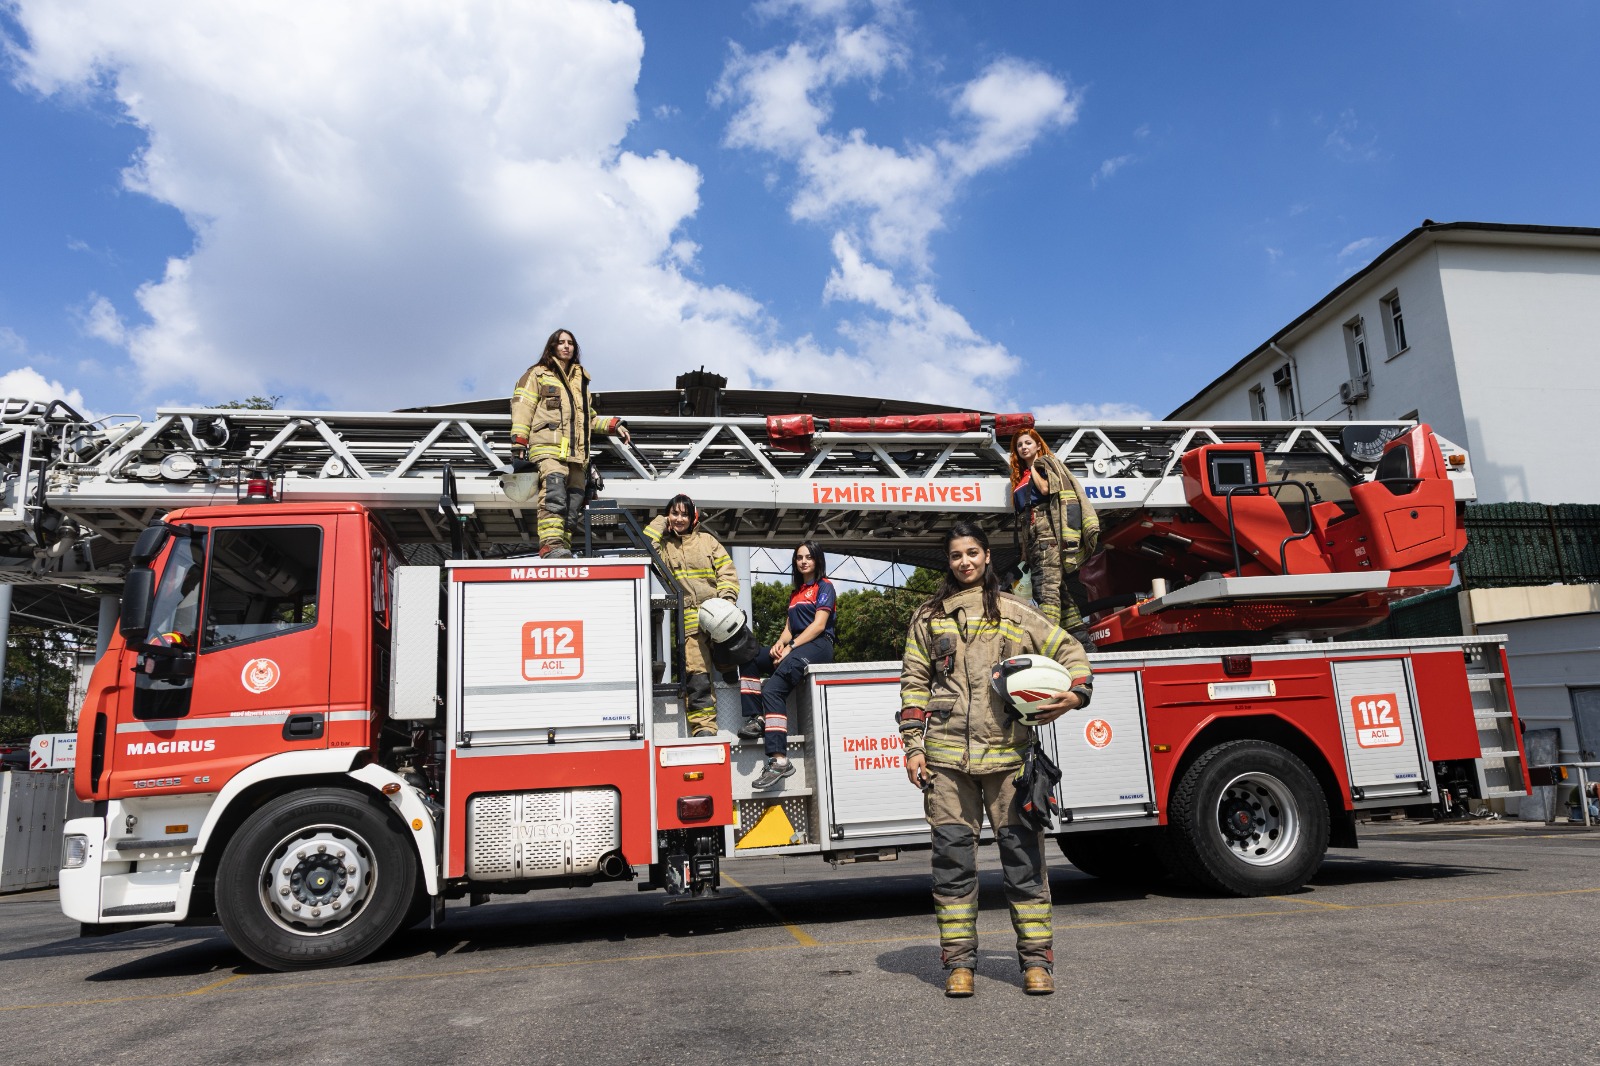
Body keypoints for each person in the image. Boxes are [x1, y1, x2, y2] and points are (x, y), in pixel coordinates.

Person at [898, 521, 1092, 998]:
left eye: (972, 553)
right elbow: (913, 685)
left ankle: (1035, 962)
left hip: (1009, 763)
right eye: (956, 555)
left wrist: (1074, 695)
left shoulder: (1017, 613)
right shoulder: (929, 617)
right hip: (946, 766)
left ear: (986, 556)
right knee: (952, 866)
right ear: (949, 561)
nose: (964, 561)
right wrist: (913, 747)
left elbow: (1072, 652)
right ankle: (959, 965)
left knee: (1024, 862)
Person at [509, 328, 632, 558]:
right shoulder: (537, 375)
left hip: (577, 456)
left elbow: (588, 418)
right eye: (561, 342)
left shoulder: (580, 381)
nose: (566, 346)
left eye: (570, 343)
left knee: (574, 502)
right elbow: (522, 408)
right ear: (552, 346)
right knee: (554, 493)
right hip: (549, 450)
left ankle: (562, 547)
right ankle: (550, 545)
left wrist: (614, 425)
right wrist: (519, 444)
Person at [737, 541, 836, 790]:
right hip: (795, 646)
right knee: (748, 655)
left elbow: (818, 626)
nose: (803, 561)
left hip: (818, 646)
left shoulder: (825, 587)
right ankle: (756, 718)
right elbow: (788, 629)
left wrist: (791, 647)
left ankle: (779, 760)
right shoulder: (795, 593)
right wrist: (779, 645)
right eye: (799, 557)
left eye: (809, 557)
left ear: (817, 561)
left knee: (771, 690)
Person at [644, 494, 740, 738]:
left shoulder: (708, 541)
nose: (679, 518)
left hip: (719, 614)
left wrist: (727, 603)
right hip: (690, 622)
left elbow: (727, 573)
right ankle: (704, 728)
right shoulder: (664, 546)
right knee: (697, 677)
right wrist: (660, 522)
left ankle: (728, 667)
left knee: (743, 654)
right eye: (674, 513)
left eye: (684, 514)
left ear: (693, 517)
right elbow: (645, 545)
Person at [1010, 428, 1100, 649]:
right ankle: (1084, 642)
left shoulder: (1043, 465)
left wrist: (1033, 467)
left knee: (1046, 592)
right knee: (1060, 592)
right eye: (1020, 445)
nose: (1023, 448)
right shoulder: (1020, 477)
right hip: (1033, 539)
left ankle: (1045, 645)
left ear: (1038, 445)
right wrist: (1024, 551)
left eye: (1028, 443)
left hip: (1046, 538)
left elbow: (1048, 489)